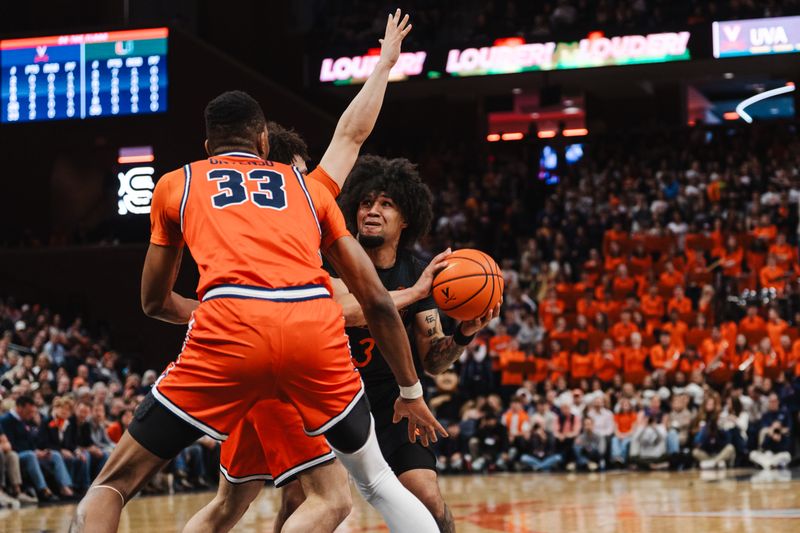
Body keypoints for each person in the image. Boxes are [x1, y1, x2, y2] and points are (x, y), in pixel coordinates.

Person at [71, 78, 444, 533]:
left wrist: (211, 311)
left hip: (228, 337)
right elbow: (374, 302)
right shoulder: (309, 189)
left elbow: (153, 302)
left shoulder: (177, 184)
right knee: (364, 485)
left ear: (209, 146)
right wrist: (412, 390)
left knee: (117, 485)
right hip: (308, 337)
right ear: (263, 142)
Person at [183, 11, 441, 533]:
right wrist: (415, 292)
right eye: (298, 171)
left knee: (235, 507)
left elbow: (350, 135)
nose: (307, 180)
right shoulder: (297, 204)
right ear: (270, 166)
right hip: (282, 364)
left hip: (237, 358)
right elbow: (350, 134)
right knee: (341, 497)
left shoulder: (209, 202)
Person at [0, 395, 67, 502]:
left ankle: (65, 487)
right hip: (18, 453)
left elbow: (31, 442)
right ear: (20, 408)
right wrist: (33, 452)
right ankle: (43, 490)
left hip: (28, 452)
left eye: (32, 412)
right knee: (30, 456)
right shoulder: (5, 420)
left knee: (55, 455)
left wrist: (38, 451)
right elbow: (11, 445)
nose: (31, 414)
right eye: (29, 411)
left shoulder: (24, 420)